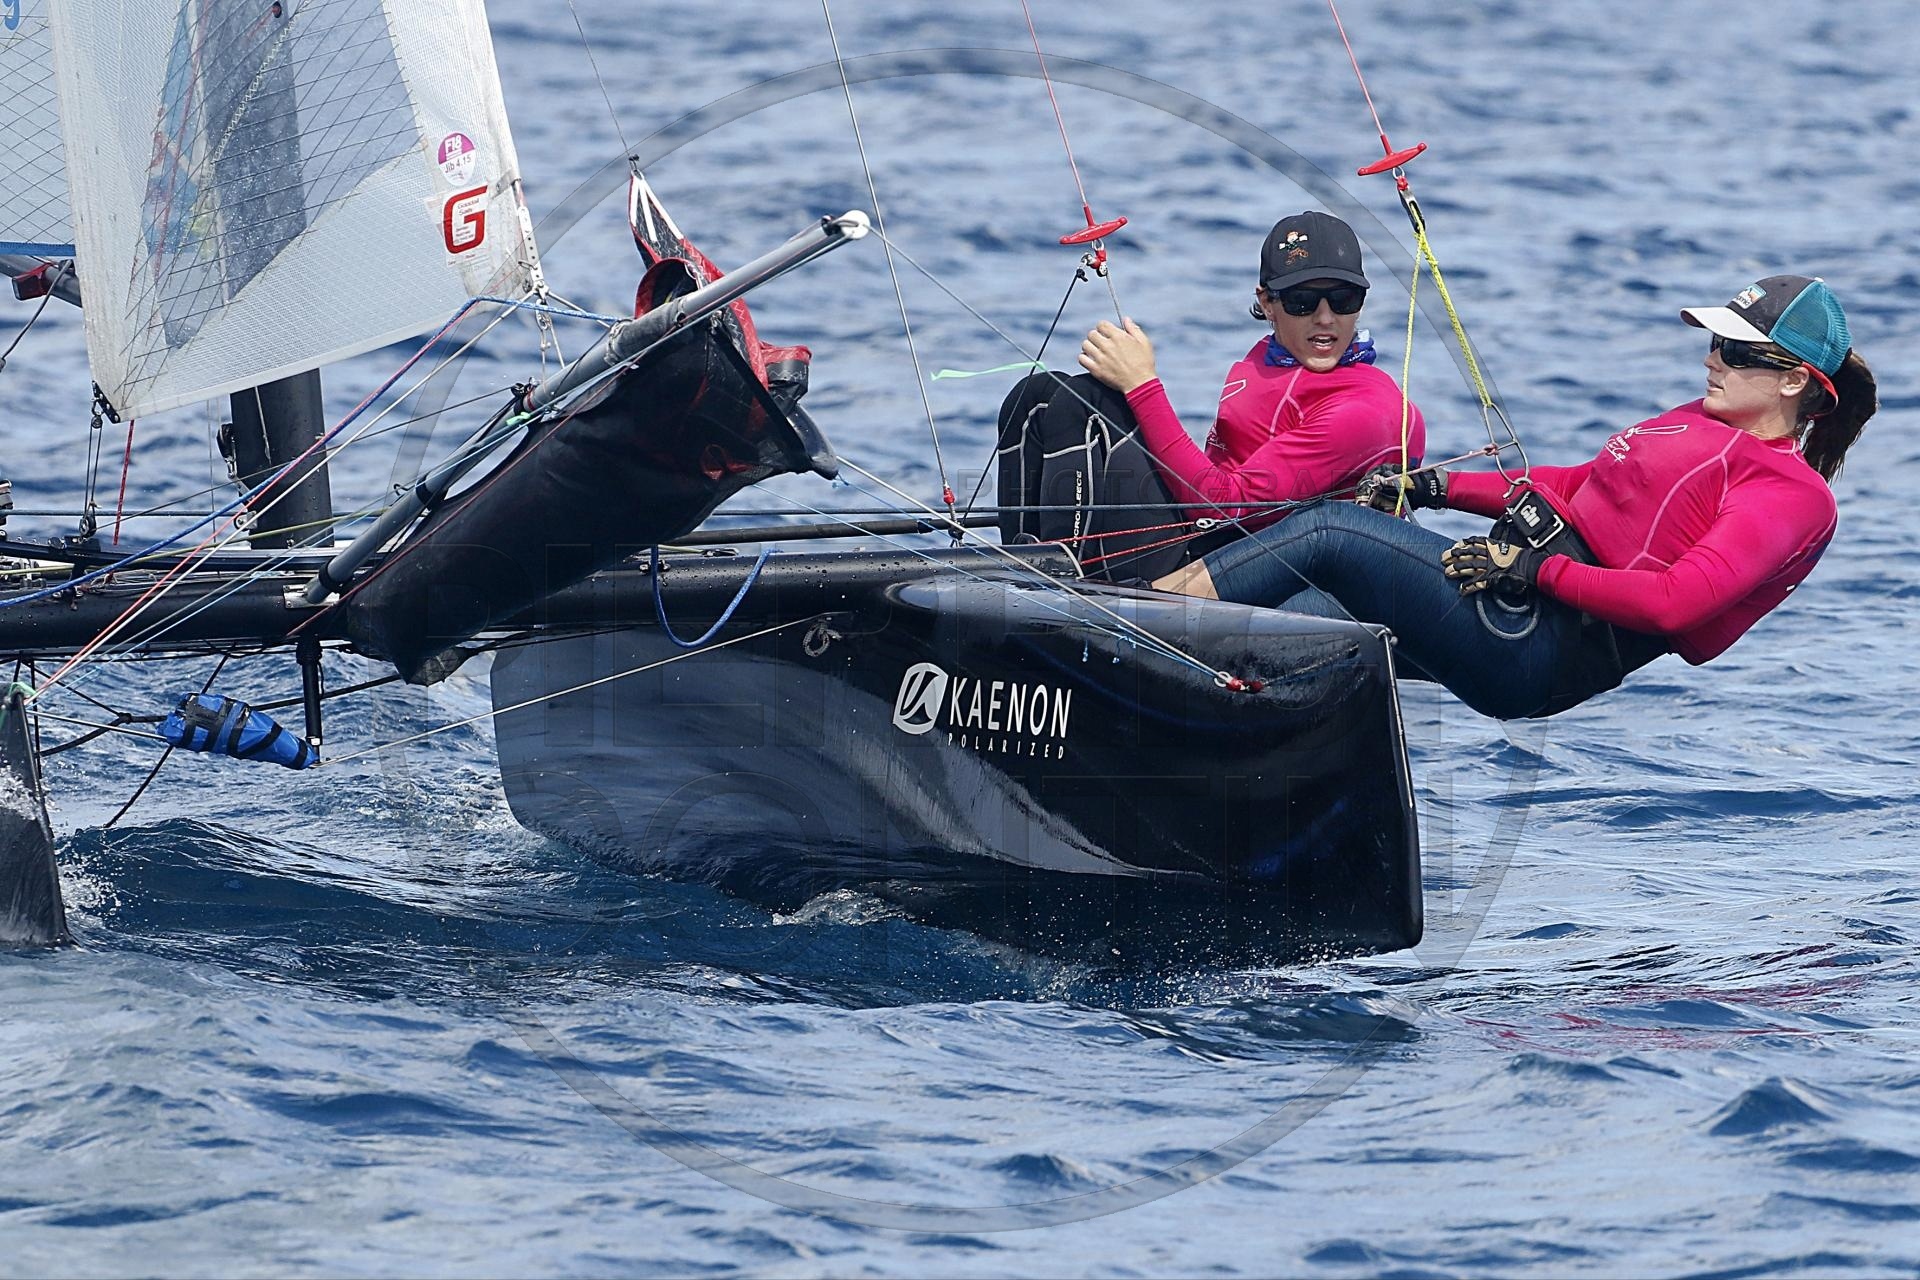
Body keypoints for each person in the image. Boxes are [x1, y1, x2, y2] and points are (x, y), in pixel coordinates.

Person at [1151, 274, 1877, 720]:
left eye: (1737, 352)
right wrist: (1438, 488)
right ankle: (1168, 698)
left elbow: (1673, 604)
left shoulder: (1792, 495)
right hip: (1512, 604)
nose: (1713, 359)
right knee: (1300, 620)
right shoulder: (1699, 419)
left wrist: (1534, 570)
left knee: (1331, 533)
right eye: (1714, 342)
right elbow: (1577, 486)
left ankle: (1140, 619)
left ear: (1795, 381)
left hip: (1539, 649)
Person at [996, 210, 1425, 581]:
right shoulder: (1270, 360)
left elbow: (1221, 508)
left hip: (1237, 570)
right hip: (1202, 534)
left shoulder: (1361, 407)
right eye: (1302, 301)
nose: (1325, 318)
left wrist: (1142, 384)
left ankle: (1061, 591)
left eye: (1344, 299)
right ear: (1267, 303)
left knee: (1086, 407)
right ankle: (1024, 567)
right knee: (1038, 394)